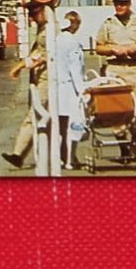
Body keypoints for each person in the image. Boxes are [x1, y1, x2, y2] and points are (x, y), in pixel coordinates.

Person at [95, 0, 136, 160]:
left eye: (123, 3)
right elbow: (99, 47)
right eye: (116, 3)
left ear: (129, 3)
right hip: (115, 69)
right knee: (117, 109)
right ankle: (123, 144)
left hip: (134, 68)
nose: (119, 6)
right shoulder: (108, 24)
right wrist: (112, 49)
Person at [1, 1, 49, 169]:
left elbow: (41, 57)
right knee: (40, 118)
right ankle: (22, 155)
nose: (33, 19)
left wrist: (19, 66)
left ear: (42, 12)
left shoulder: (49, 30)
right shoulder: (42, 29)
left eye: (35, 14)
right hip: (41, 79)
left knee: (34, 116)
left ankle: (18, 155)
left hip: (48, 80)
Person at [53, 10, 87, 169]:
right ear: (74, 25)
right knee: (73, 125)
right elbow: (75, 69)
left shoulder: (56, 40)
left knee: (60, 126)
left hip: (56, 87)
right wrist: (83, 91)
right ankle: (70, 159)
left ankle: (59, 158)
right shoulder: (73, 42)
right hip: (69, 89)